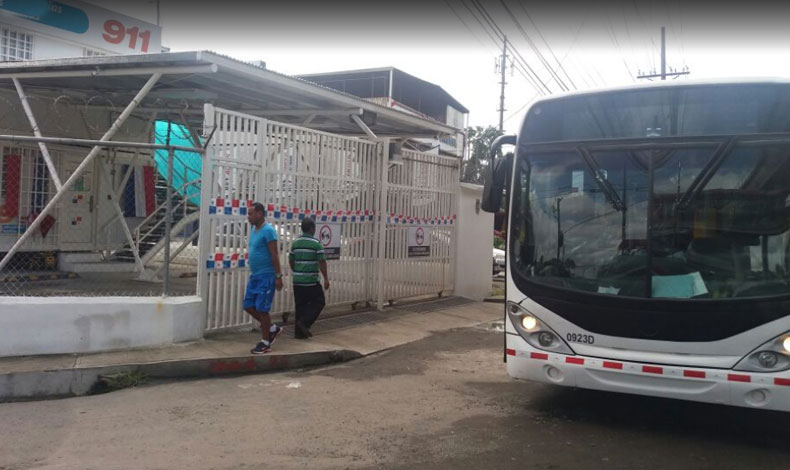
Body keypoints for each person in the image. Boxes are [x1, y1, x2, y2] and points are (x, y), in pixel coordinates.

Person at [244, 202, 284, 354]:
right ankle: (272, 329)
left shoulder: (268, 231)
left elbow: (274, 254)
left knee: (262, 309)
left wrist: (278, 276)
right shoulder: (254, 230)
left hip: (266, 276)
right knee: (248, 305)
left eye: (251, 213)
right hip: (255, 276)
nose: (248, 217)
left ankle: (265, 342)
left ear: (260, 214)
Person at [288, 217, 330, 339]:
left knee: (300, 306)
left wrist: (297, 271)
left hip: (297, 281)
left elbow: (291, 260)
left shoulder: (295, 243)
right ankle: (304, 322)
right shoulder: (316, 244)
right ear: (312, 228)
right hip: (311, 281)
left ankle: (299, 333)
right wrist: (326, 278)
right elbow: (322, 262)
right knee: (319, 301)